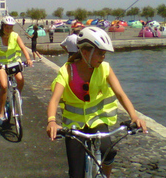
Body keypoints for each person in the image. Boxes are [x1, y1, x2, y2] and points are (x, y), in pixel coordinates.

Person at [46, 27, 147, 178]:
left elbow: (120, 94)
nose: (103, 57)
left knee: (108, 150)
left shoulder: (105, 69)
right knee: (76, 173)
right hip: (74, 126)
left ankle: (105, 175)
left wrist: (134, 117)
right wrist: (52, 122)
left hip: (98, 119)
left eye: (104, 54)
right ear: (85, 53)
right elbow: (54, 100)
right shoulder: (67, 71)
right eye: (100, 53)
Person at [0, 16, 33, 126]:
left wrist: (28, 59)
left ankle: (18, 97)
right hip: (1, 65)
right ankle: (1, 113)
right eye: (6, 27)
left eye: (10, 28)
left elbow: (23, 47)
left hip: (14, 62)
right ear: (2, 27)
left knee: (20, 79)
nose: (8, 30)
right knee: (4, 86)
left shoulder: (15, 36)